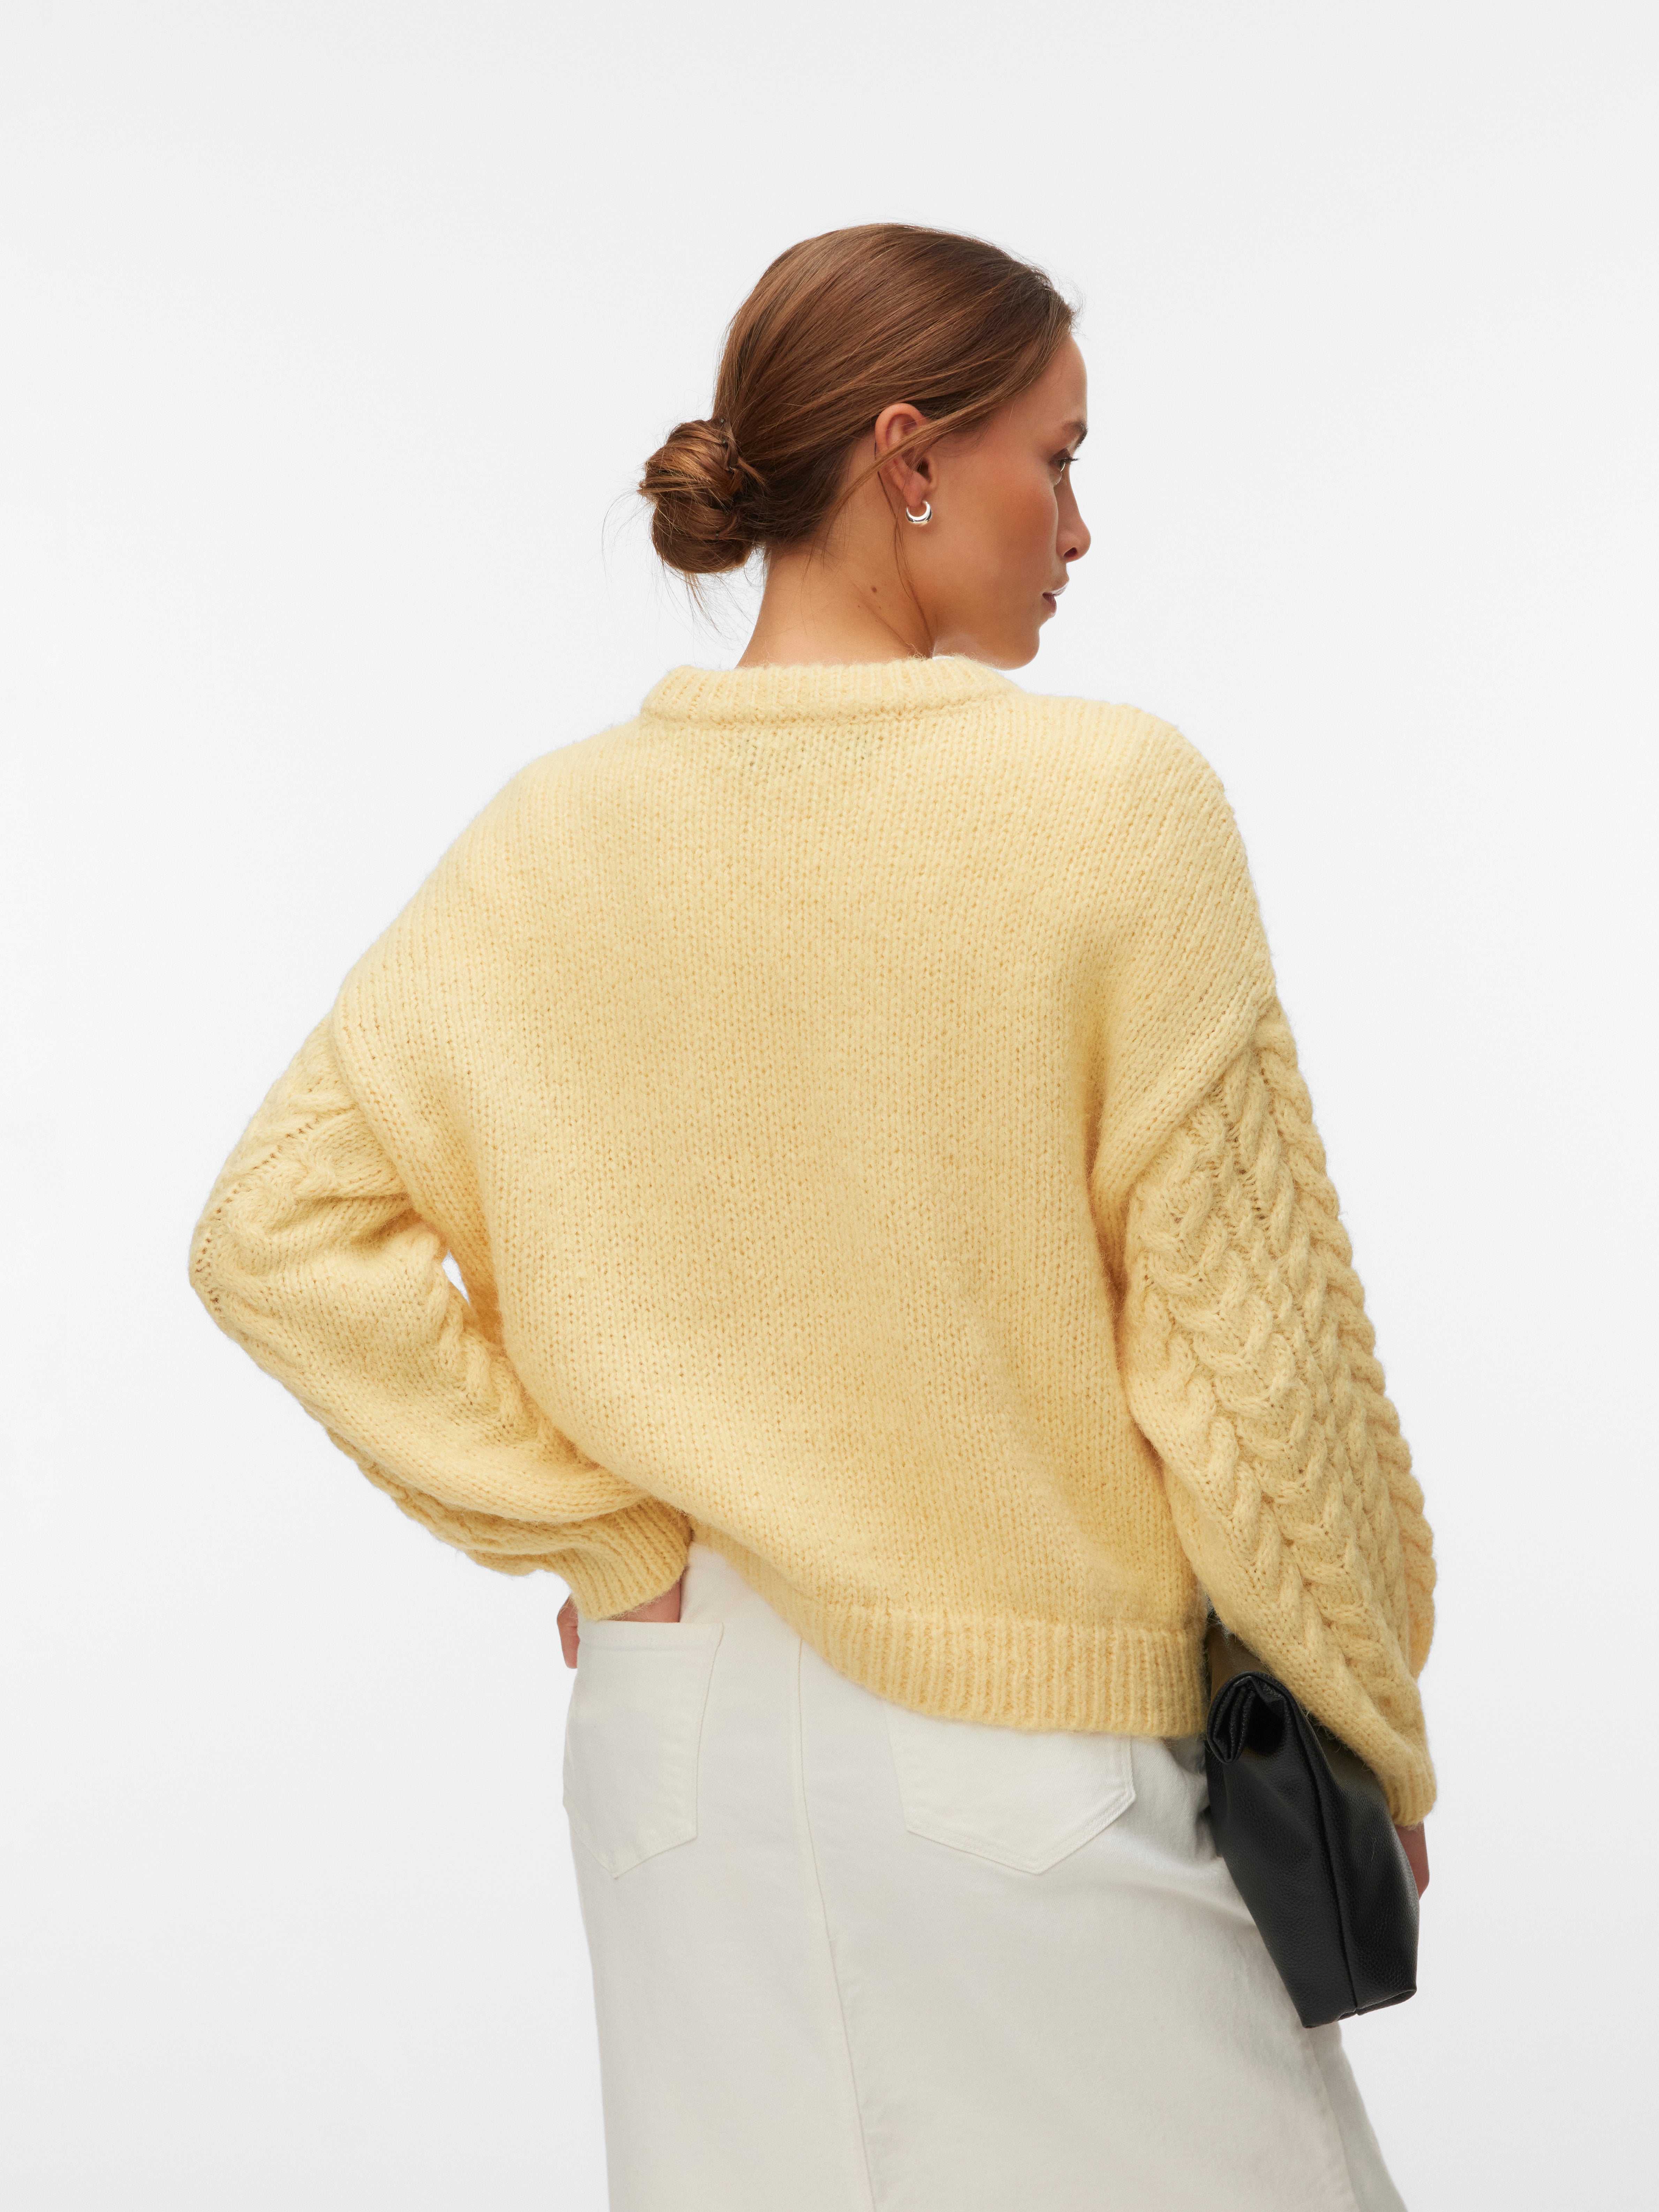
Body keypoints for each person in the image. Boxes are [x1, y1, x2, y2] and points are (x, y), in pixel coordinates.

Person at [189, 222, 1435, 2211]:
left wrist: (606, 1538)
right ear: (908, 456)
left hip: (672, 1759)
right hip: (1027, 1750)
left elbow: (278, 1230)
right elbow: (1248, 1360)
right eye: (1059, 458)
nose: (1081, 528)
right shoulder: (1112, 804)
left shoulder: (551, 835)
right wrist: (1367, 1713)